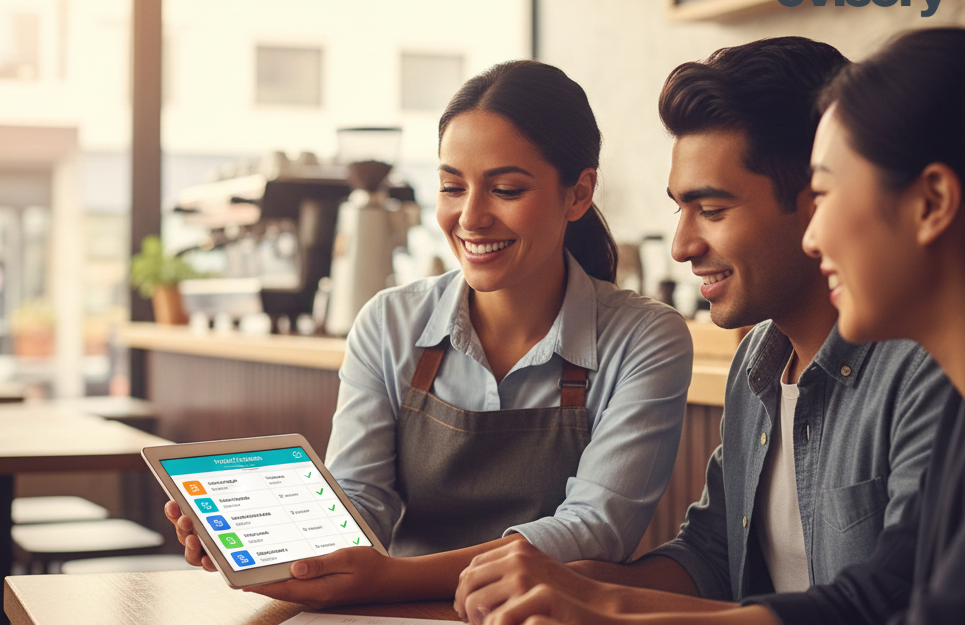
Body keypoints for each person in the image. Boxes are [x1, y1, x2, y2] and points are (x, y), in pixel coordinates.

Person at [454, 37, 955, 622]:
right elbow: (714, 554)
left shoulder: (931, 371)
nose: (682, 246)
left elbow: (882, 602)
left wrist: (604, 606)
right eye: (680, 209)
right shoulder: (759, 362)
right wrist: (571, 583)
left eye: (712, 210)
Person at [166, 60, 694, 607]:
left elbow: (595, 528)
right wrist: (283, 544)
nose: (471, 217)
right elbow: (360, 502)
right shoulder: (389, 323)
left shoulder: (645, 338)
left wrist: (390, 578)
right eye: (451, 187)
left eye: (506, 189)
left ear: (578, 194)